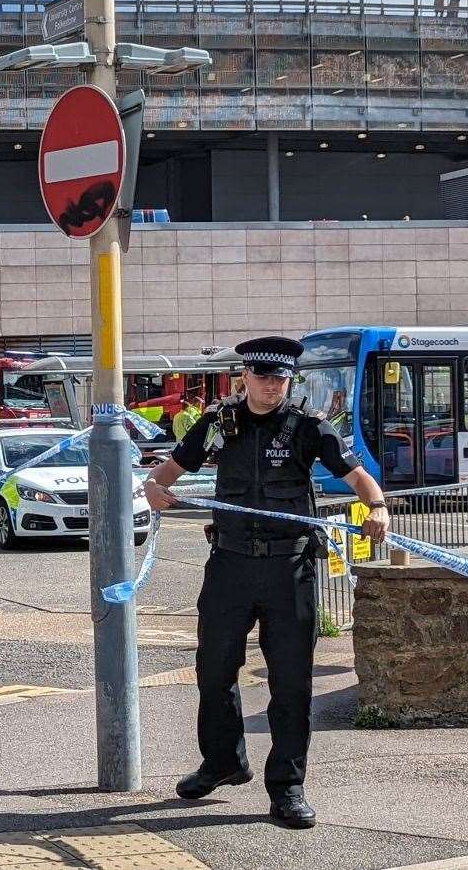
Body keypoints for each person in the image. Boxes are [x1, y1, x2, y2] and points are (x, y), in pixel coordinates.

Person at [143, 336, 390, 830]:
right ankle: (222, 762)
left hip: (288, 569)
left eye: (280, 378)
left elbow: (358, 475)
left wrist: (377, 506)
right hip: (230, 565)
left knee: (291, 682)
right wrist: (154, 488)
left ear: (288, 381)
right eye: (263, 377)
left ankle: (288, 786)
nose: (271, 385)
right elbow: (169, 470)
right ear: (245, 378)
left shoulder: (307, 427)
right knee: (213, 671)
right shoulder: (218, 424)